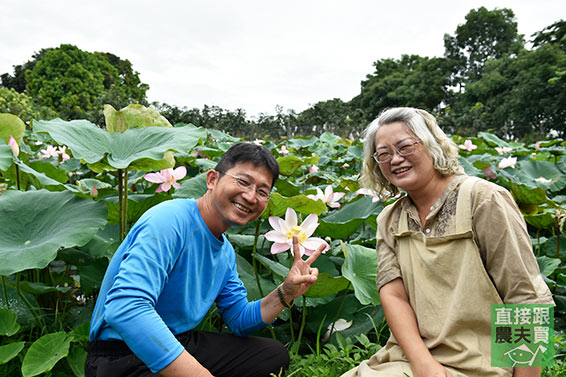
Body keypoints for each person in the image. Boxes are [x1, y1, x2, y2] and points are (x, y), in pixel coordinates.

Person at [341, 108, 553, 377]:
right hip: (412, 359)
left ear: (431, 144)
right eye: (383, 154)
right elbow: (393, 295)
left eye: (405, 147)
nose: (395, 159)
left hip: (482, 364)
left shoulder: (484, 199)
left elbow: (526, 297)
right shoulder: (390, 219)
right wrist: (423, 365)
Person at [86, 142, 326, 377]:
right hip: (119, 354)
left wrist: (286, 292)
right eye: (243, 182)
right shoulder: (170, 220)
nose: (251, 196)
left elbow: (239, 319)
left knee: (272, 355)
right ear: (212, 179)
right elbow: (125, 308)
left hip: (178, 341)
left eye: (262, 191)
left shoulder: (225, 252)